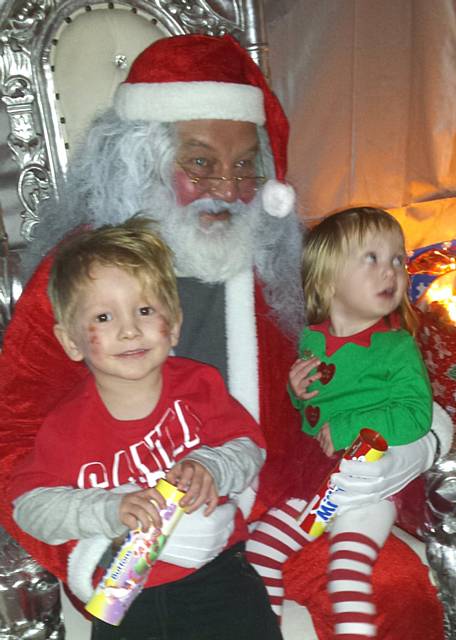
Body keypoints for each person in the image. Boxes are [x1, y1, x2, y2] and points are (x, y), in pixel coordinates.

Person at [0, 34, 451, 640]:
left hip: (286, 513)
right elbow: (14, 442)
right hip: (139, 537)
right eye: (201, 162)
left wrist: (415, 445)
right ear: (144, 158)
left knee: (395, 595)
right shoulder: (77, 278)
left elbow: (373, 358)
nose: (228, 188)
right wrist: (96, 548)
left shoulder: (277, 259)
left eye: (245, 166)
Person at [10, 217, 281, 640]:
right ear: (71, 342)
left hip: (218, 575)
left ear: (172, 325)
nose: (130, 329)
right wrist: (108, 509)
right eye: (103, 316)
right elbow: (30, 508)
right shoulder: (66, 426)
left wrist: (211, 465)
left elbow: (249, 448)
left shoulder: (199, 385)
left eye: (144, 310)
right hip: (124, 593)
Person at [246, 207, 433, 639]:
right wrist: (299, 391)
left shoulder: (395, 346)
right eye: (372, 258)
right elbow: (313, 413)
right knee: (262, 551)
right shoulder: (312, 338)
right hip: (317, 486)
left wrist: (351, 428)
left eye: (398, 259)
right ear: (328, 280)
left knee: (348, 573)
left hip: (368, 485)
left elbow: (416, 414)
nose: (391, 270)